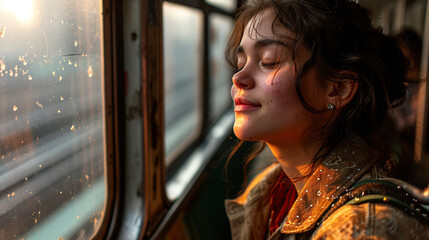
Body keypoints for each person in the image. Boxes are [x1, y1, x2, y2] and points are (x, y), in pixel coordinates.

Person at [224, 0, 429, 239]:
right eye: (240, 63)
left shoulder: (362, 229)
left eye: (270, 61)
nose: (239, 78)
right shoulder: (270, 192)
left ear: (338, 89)